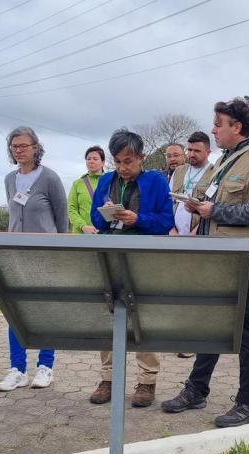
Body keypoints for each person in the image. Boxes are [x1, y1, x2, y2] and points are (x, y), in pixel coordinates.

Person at [162, 98, 249, 428]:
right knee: (211, 325)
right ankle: (197, 390)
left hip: (242, 258)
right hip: (216, 255)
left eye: (219, 124)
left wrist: (215, 211)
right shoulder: (225, 161)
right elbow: (213, 201)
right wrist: (198, 206)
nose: (214, 129)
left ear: (236, 127)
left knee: (246, 331)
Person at [89, 128, 174, 408]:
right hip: (110, 253)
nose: (123, 167)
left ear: (141, 157)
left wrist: (137, 219)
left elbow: (165, 222)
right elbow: (95, 219)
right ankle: (108, 378)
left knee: (143, 317)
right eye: (118, 161)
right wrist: (107, 214)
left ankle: (147, 381)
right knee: (109, 314)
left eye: (128, 161)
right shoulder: (105, 181)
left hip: (143, 256)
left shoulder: (156, 181)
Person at [0, 126, 68, 392]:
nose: (19, 150)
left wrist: (62, 253)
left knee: (46, 311)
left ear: (36, 147)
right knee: (15, 311)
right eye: (15, 146)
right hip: (17, 256)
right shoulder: (9, 179)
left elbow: (62, 219)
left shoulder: (49, 178)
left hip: (46, 255)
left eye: (24, 146)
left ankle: (45, 366)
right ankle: (17, 369)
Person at [168, 131, 214, 358]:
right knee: (177, 288)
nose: (192, 154)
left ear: (208, 151)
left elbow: (213, 207)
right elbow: (169, 202)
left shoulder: (215, 172)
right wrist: (172, 230)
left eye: (197, 150)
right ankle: (178, 334)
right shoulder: (179, 172)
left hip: (199, 238)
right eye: (190, 150)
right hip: (176, 238)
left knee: (196, 289)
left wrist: (196, 232)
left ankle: (194, 339)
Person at [68, 146, 106, 234]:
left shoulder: (110, 181)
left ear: (103, 162)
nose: (91, 161)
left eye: (95, 159)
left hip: (104, 234)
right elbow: (71, 209)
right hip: (81, 234)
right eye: (88, 159)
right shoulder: (77, 183)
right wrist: (83, 226)